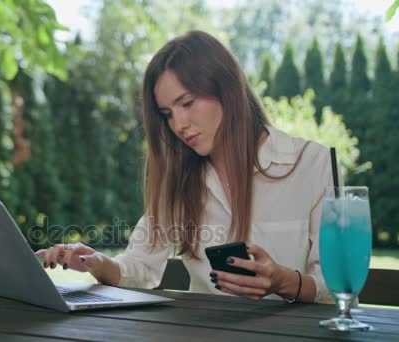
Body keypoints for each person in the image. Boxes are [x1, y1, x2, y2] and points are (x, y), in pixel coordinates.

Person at [35, 30, 335, 303]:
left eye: (187, 103)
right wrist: (94, 262)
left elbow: (337, 290)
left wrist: (284, 282)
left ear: (226, 89)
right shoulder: (181, 180)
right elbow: (139, 268)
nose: (178, 125)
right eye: (167, 113)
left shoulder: (310, 164)